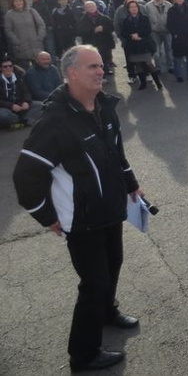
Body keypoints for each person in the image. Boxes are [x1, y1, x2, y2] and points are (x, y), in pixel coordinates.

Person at [12, 45, 143, 372]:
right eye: (92, 67)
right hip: (81, 220)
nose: (101, 71)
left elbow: (117, 154)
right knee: (94, 283)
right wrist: (46, 215)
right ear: (71, 73)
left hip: (110, 209)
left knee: (113, 266)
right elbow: (26, 174)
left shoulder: (105, 106)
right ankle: (83, 354)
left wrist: (131, 184)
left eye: (101, 65)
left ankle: (107, 313)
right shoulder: (55, 121)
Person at [121, 0, 162, 90]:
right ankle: (143, 83)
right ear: (128, 9)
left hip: (144, 45)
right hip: (133, 46)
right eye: (131, 7)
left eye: (135, 6)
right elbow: (123, 33)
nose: (134, 9)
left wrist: (139, 35)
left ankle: (158, 82)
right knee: (138, 65)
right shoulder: (126, 20)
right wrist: (132, 36)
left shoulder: (144, 18)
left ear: (138, 8)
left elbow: (148, 30)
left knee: (149, 63)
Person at [4, 0, 47, 68]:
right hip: (21, 48)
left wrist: (40, 37)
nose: (18, 3)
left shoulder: (32, 11)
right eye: (16, 1)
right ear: (12, 3)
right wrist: (16, 41)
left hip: (36, 45)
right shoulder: (9, 15)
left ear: (24, 1)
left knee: (40, 68)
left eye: (20, 0)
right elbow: (8, 30)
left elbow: (41, 24)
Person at [1, 56, 42, 128]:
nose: (8, 68)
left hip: (20, 104)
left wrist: (26, 102)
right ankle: (23, 120)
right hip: (6, 107)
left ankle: (22, 122)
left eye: (10, 66)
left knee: (40, 105)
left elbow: (26, 92)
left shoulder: (19, 77)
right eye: (5, 67)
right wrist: (11, 106)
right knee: (3, 115)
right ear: (1, 68)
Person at [77, 1, 116, 77]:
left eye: (92, 6)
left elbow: (111, 27)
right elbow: (80, 31)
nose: (91, 8)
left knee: (104, 56)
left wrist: (103, 28)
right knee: (93, 58)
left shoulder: (104, 17)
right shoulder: (82, 19)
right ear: (85, 9)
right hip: (91, 42)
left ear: (96, 7)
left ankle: (106, 69)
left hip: (104, 41)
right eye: (89, 7)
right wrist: (93, 30)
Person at [166, 0, 188, 82]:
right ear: (174, 0)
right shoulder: (171, 10)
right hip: (178, 36)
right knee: (177, 57)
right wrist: (174, 34)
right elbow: (169, 24)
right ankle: (179, 75)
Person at [144, 0, 173, 74]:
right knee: (156, 51)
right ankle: (158, 67)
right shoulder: (147, 6)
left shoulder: (169, 5)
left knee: (169, 49)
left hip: (167, 31)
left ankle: (171, 66)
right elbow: (145, 20)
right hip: (154, 32)